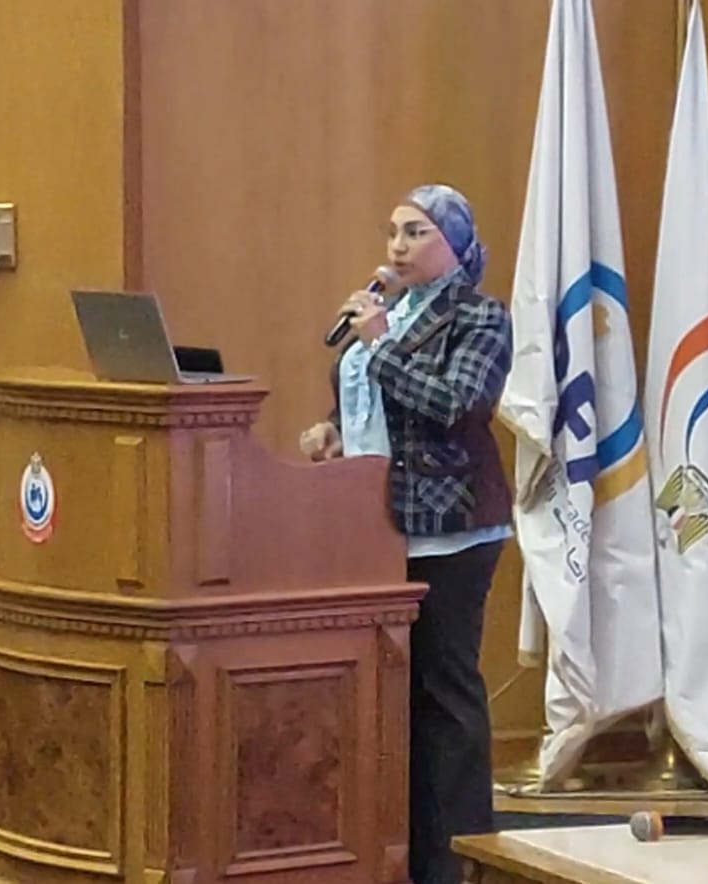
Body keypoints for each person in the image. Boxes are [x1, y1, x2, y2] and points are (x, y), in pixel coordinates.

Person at [299, 183, 513, 884]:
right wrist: (334, 430)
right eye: (393, 231)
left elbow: (453, 404)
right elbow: (374, 405)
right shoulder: (387, 314)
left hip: (450, 530)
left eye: (417, 232)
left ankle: (461, 860)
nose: (397, 246)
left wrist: (381, 345)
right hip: (375, 526)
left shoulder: (480, 317)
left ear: (456, 244)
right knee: (394, 697)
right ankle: (404, 854)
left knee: (445, 691)